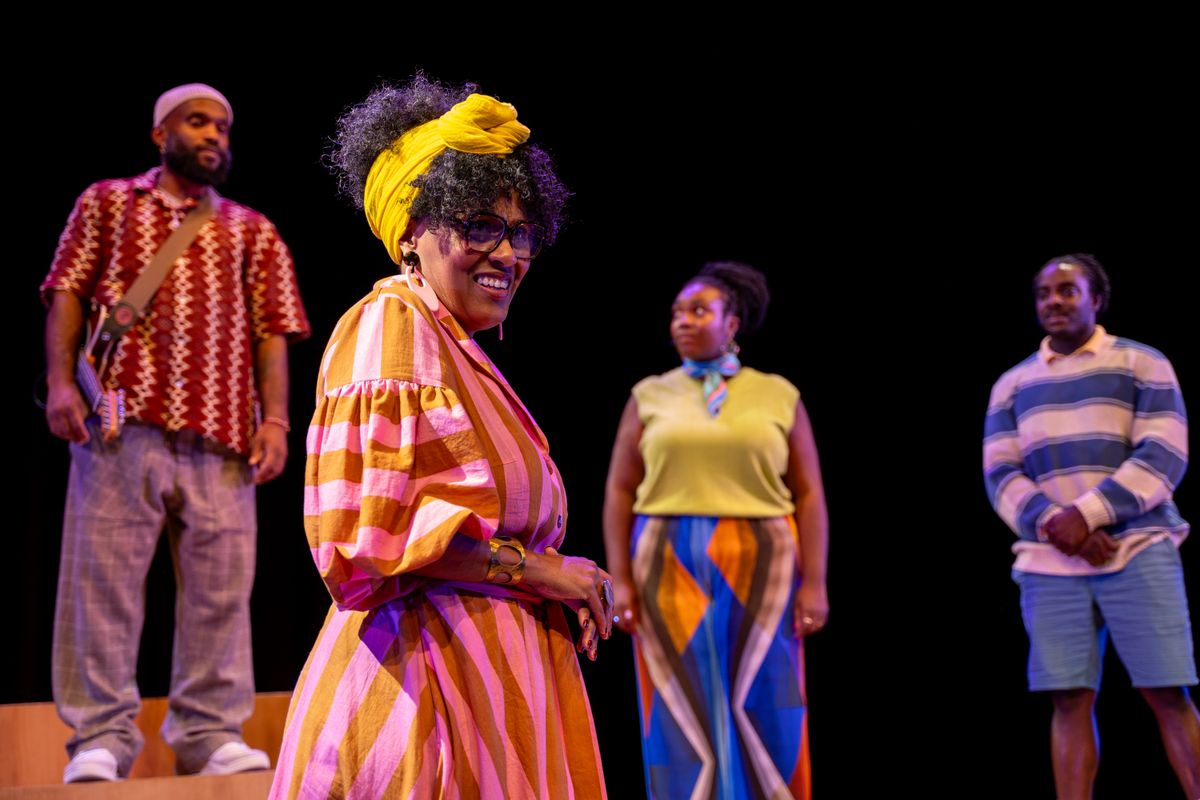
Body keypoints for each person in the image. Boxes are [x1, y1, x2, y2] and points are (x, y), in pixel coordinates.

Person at [269, 75, 611, 799]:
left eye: (521, 232)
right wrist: (544, 572)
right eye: (480, 225)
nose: (508, 253)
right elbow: (372, 539)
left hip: (486, 681)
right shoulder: (391, 324)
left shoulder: (449, 345)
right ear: (410, 234)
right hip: (425, 694)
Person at [41, 83, 311, 782]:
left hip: (223, 432)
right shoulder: (106, 202)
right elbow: (67, 290)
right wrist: (62, 383)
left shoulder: (252, 228)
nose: (214, 135)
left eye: (223, 126)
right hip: (118, 424)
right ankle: (99, 736)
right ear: (161, 134)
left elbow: (274, 331)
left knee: (222, 594)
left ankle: (209, 732)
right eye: (197, 122)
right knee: (100, 586)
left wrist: (276, 420)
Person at [602, 261, 829, 799]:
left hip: (764, 558)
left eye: (699, 310)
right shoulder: (650, 394)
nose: (682, 321)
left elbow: (809, 494)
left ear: (732, 323)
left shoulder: (777, 394)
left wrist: (815, 582)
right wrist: (620, 580)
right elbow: (619, 491)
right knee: (678, 699)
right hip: (666, 558)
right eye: (677, 312)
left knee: (767, 697)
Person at [983, 254, 1198, 799]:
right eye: (1043, 293)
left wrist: (1088, 515)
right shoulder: (1013, 384)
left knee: (1166, 691)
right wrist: (1059, 526)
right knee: (1068, 697)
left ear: (1096, 299)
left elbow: (1164, 453)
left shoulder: (1141, 363)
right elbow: (1000, 472)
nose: (1053, 301)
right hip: (1051, 560)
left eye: (1067, 291)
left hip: (1137, 547)